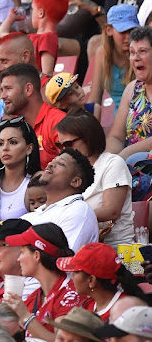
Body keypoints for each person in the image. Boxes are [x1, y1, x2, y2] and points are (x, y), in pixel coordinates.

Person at [55, 113, 133, 246]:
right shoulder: (68, 172)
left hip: (115, 248)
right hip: (79, 246)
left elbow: (111, 211)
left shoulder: (112, 163)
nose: (64, 151)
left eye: (68, 144)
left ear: (88, 139)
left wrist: (69, 216)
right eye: (59, 145)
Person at [3, 223, 85, 342]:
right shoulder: (34, 297)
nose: (18, 259)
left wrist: (26, 317)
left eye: (22, 252)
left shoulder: (69, 293)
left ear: (36, 255)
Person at [57, 243, 146, 321]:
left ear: (91, 280)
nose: (72, 275)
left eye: (76, 272)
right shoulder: (88, 305)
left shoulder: (124, 310)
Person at [0, 64, 65, 168]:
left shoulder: (57, 122)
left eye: (8, 88)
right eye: (2, 90)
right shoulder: (14, 125)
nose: (2, 96)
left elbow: (73, 170)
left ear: (28, 89)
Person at [107, 27, 152, 160]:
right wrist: (109, 160)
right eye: (132, 52)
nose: (136, 58)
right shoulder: (132, 89)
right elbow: (116, 137)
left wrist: (126, 154)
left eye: (142, 51)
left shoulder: (127, 154)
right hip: (127, 164)